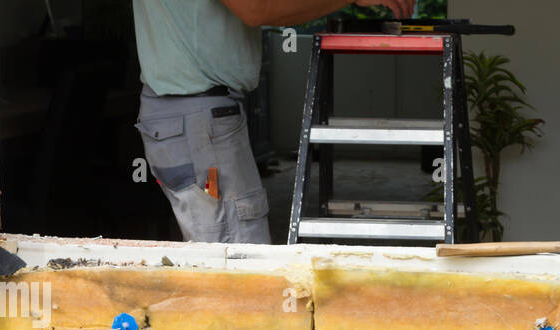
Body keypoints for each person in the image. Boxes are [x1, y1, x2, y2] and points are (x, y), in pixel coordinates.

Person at [132, 0, 413, 244]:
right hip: (197, 118)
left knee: (214, 255)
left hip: (181, 115)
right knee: (240, 263)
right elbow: (257, 9)